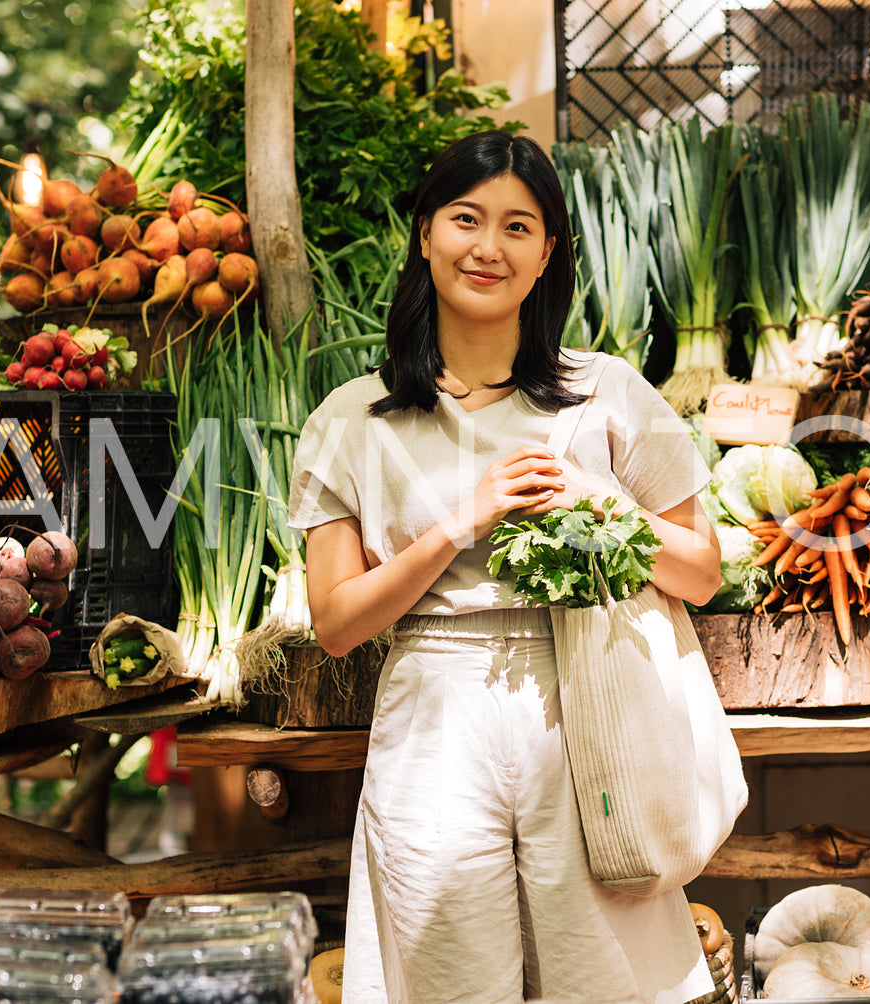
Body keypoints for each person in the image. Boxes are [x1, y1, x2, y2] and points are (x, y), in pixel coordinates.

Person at [288, 129, 723, 1003]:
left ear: (546, 253)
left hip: (593, 701)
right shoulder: (352, 418)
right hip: (434, 720)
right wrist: (460, 522)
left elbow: (701, 573)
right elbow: (337, 623)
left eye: (517, 227)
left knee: (607, 975)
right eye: (465, 218)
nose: (488, 247)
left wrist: (602, 510)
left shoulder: (610, 393)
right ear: (424, 234)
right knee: (446, 977)